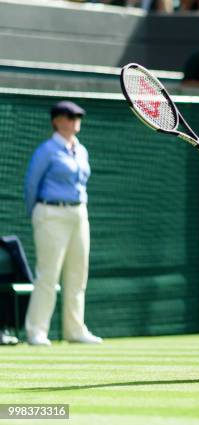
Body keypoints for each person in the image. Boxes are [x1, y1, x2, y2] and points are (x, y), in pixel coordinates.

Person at [23, 101, 102, 346]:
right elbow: (31, 185)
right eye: (69, 116)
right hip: (50, 214)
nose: (74, 119)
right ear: (56, 121)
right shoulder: (46, 150)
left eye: (77, 116)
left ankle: (75, 330)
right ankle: (36, 331)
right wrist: (37, 215)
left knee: (78, 274)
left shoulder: (82, 150)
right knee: (48, 274)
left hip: (78, 214)